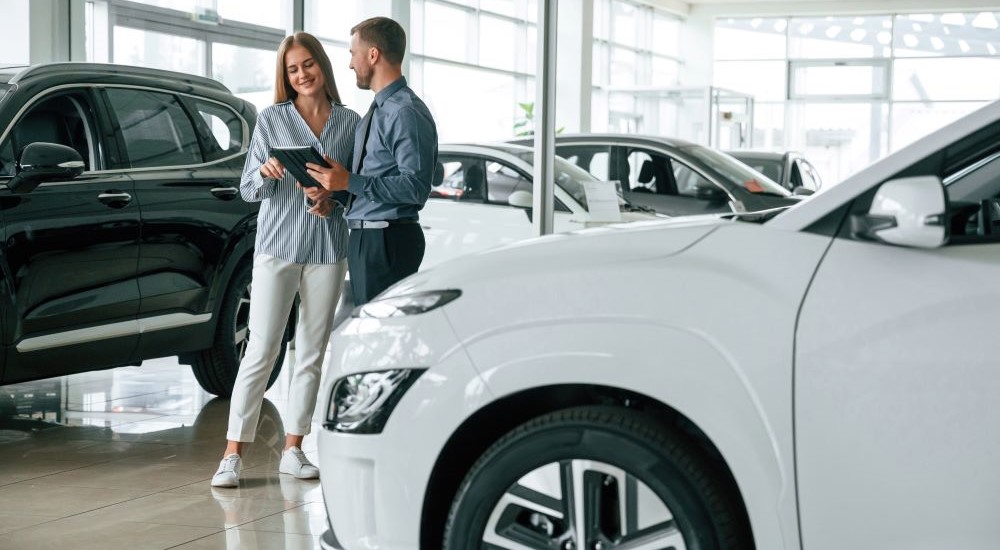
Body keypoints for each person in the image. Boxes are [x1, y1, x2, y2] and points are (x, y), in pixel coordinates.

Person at [211, 31, 360, 488]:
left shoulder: (351, 123)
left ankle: (294, 449)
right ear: (286, 75)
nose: (302, 74)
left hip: (327, 249)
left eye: (308, 64)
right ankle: (233, 453)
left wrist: (333, 200)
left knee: (311, 352)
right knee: (261, 348)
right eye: (293, 69)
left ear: (322, 65)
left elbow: (356, 190)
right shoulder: (271, 120)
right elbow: (248, 190)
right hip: (277, 247)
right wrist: (266, 171)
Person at [307, 16, 438, 305]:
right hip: (366, 240)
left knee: (385, 340)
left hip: (387, 243)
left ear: (373, 54)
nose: (351, 63)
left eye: (353, 54)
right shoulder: (376, 111)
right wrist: (337, 193)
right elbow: (375, 179)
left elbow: (415, 188)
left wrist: (349, 181)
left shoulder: (404, 112)